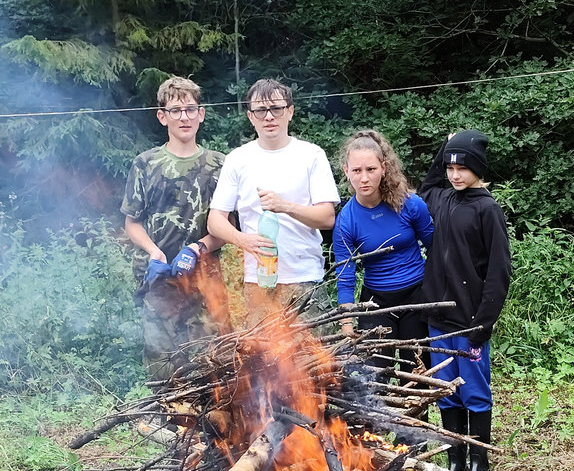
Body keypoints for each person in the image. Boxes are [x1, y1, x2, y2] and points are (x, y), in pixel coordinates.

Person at [418, 129, 512, 471]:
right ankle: (455, 458)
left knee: (474, 391)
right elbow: (427, 186)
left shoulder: (488, 209)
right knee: (446, 391)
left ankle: (479, 462)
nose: (454, 175)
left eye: (462, 168)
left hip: (470, 323)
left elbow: (499, 271)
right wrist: (446, 145)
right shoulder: (442, 199)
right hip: (438, 321)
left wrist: (483, 323)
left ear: (478, 169)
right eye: (450, 167)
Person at [207, 79, 339, 316]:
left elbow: (327, 218)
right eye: (260, 110)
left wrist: (285, 206)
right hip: (258, 281)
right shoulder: (238, 159)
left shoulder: (311, 155)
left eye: (276, 108)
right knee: (260, 343)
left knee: (313, 343)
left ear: (290, 112)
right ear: (251, 117)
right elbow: (215, 220)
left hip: (305, 279)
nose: (269, 117)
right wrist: (242, 240)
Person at [121, 76, 230, 358]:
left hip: (205, 286)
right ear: (162, 117)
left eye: (190, 109)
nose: (184, 117)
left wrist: (197, 249)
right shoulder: (145, 164)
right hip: (159, 284)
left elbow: (228, 228)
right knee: (163, 369)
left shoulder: (220, 165)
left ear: (201, 114)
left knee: (214, 365)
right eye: (175, 110)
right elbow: (132, 223)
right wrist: (153, 252)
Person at [332, 130, 433, 378]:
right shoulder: (346, 220)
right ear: (346, 171)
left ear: (384, 168)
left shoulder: (409, 204)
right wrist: (347, 323)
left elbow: (436, 247)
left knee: (417, 374)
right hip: (375, 304)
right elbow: (345, 276)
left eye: (371, 169)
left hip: (416, 298)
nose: (364, 178)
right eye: (357, 171)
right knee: (377, 377)